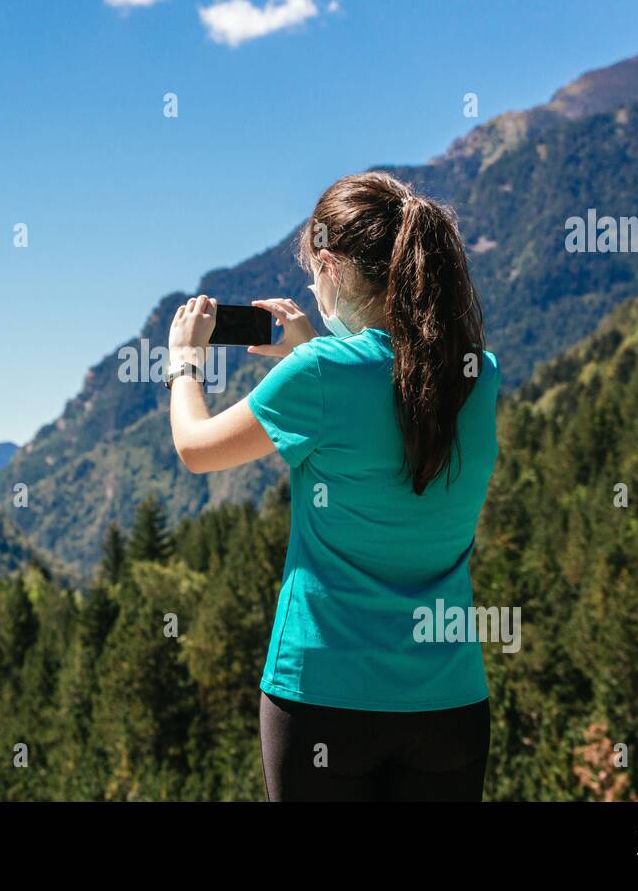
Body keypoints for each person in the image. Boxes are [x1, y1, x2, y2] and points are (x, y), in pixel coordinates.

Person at [165, 171, 500, 801]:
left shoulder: (320, 374)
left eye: (315, 273)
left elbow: (196, 449)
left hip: (322, 696)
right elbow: (392, 386)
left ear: (331, 266)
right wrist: (309, 350)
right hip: (447, 702)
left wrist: (184, 361)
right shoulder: (479, 377)